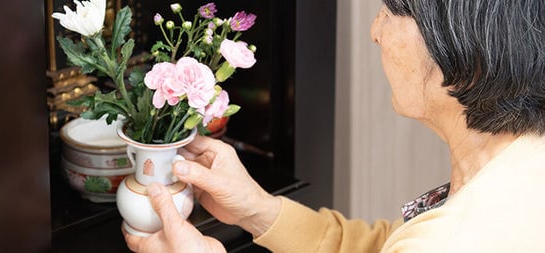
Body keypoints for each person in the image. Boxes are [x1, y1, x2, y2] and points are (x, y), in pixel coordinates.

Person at [124, 0, 545, 252]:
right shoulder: (518, 164)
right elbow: (385, 246)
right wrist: (259, 210)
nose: (375, 30)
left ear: (464, 45)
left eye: (395, 11)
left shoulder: (453, 241)